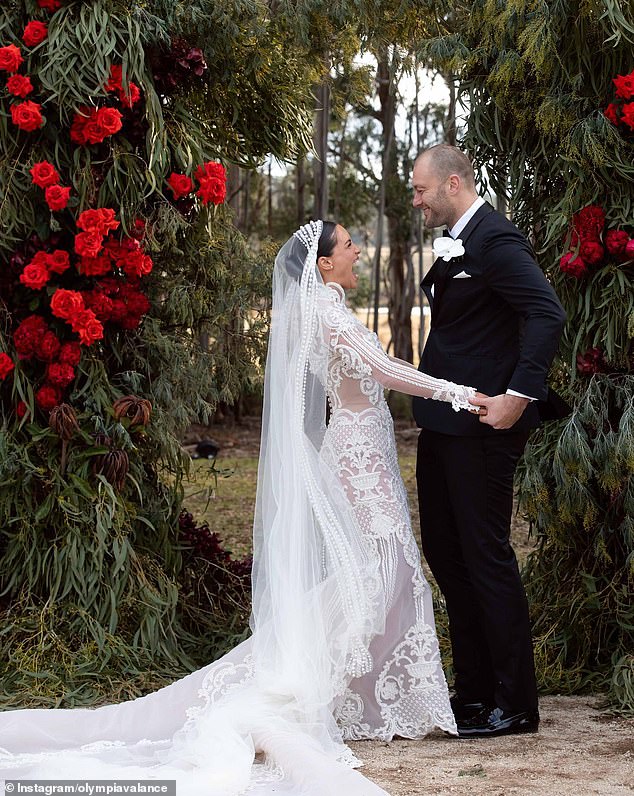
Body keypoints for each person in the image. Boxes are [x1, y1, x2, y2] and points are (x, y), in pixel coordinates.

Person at [0, 220, 478, 794]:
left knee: (381, 569)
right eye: (349, 244)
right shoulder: (326, 313)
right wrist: (462, 395)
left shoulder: (326, 306)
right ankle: (337, 689)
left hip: (363, 445)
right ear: (324, 264)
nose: (357, 250)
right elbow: (384, 372)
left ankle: (365, 696)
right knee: (383, 567)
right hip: (357, 455)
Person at [411, 144, 567, 738]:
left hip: (483, 425)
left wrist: (518, 397)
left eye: (423, 190)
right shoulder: (461, 242)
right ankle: (473, 692)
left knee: (485, 556)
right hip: (443, 421)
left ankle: (515, 702)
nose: (417, 201)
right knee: (446, 555)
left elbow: (545, 314)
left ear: (454, 184)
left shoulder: (496, 241)